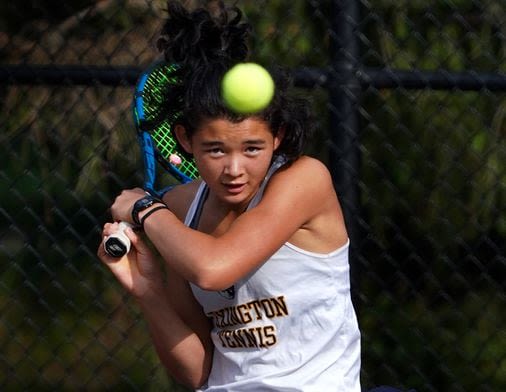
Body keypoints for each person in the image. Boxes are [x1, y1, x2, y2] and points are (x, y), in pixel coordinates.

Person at [97, 1, 361, 391]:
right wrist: (148, 290)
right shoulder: (180, 209)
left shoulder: (303, 179)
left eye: (252, 149)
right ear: (186, 139)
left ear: (278, 137)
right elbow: (197, 372)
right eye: (216, 150)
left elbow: (213, 268)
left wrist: (144, 208)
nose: (234, 169)